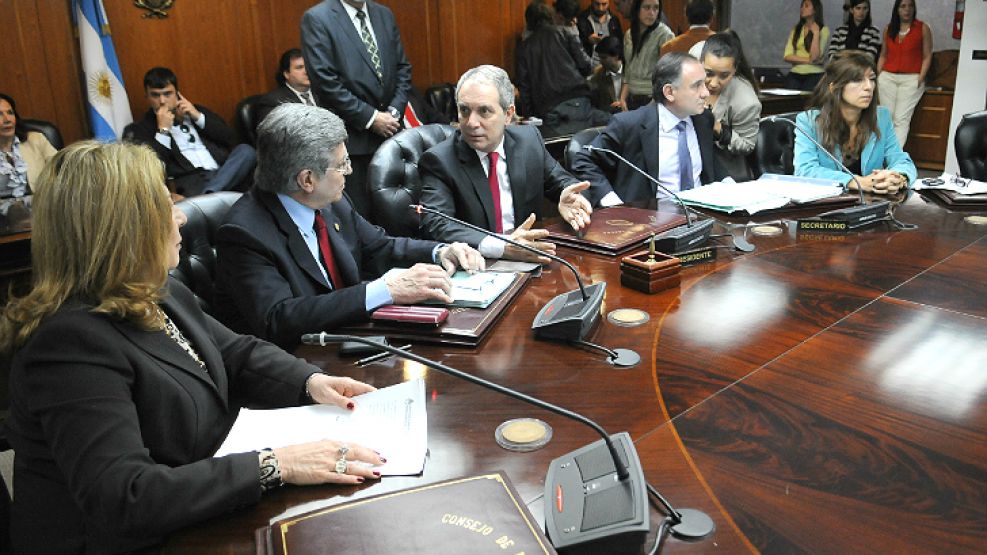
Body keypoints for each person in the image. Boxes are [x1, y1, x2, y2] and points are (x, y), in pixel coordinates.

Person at [0, 140, 385, 552]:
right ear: (123, 228)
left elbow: (236, 352)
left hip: (200, 513)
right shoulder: (68, 346)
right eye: (166, 206)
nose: (181, 217)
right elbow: (125, 496)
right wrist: (276, 464)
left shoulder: (155, 290)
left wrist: (310, 381)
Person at [215, 104, 482, 349]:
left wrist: (440, 251)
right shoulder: (244, 234)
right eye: (342, 164)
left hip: (356, 339)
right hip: (301, 363)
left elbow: (380, 247)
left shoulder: (332, 202)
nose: (350, 171)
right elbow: (280, 318)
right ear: (307, 179)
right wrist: (384, 290)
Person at [419, 65, 593, 262]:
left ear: (508, 114)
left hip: (531, 260)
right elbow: (437, 223)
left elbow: (563, 182)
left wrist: (567, 193)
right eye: (464, 110)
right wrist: (502, 246)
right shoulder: (439, 160)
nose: (471, 123)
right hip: (478, 266)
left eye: (484, 111)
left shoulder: (528, 141)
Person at [301, 0, 413, 221]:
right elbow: (325, 81)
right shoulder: (317, 18)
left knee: (396, 218)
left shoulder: (383, 14)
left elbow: (402, 68)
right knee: (359, 219)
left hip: (391, 136)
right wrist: (371, 118)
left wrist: (393, 112)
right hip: (352, 141)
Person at [573, 52, 727, 207]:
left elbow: (709, 169)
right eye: (696, 86)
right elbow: (583, 160)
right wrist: (611, 201)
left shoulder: (703, 119)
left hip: (702, 216)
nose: (706, 93)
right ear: (669, 92)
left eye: (704, 84)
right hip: (650, 221)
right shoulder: (629, 125)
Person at [794, 51, 916, 194]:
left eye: (871, 79)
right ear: (834, 88)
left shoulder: (881, 117)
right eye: (858, 80)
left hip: (870, 203)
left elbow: (900, 159)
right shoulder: (808, 121)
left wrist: (899, 178)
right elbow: (805, 170)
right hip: (826, 206)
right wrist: (855, 181)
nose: (868, 87)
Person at [124, 67, 256, 197]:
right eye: (155, 95)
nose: (162, 101)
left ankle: (210, 196)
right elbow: (152, 165)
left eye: (167, 94)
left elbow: (230, 137)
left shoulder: (197, 111)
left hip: (224, 173)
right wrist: (163, 131)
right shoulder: (140, 128)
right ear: (146, 97)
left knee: (246, 150)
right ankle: (212, 196)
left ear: (177, 94)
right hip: (192, 182)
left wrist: (198, 117)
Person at [516, 2, 609, 130]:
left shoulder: (524, 48)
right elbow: (586, 66)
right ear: (551, 16)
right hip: (579, 99)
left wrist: (530, 116)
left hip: (549, 108)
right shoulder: (566, 33)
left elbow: (524, 88)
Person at [700, 31, 762, 180]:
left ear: (734, 70)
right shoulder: (692, 61)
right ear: (699, 62)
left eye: (724, 76)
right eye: (708, 73)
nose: (714, 83)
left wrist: (720, 130)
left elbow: (747, 145)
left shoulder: (747, 103)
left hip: (725, 175)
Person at [877, 0, 932, 147]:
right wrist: (878, 75)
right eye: (903, 6)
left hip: (911, 79)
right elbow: (883, 54)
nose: (907, 10)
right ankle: (882, 155)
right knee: (886, 118)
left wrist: (920, 77)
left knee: (901, 119)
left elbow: (927, 55)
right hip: (887, 77)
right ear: (897, 9)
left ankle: (894, 159)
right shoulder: (889, 29)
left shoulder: (922, 28)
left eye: (910, 6)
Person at [620, 0, 673, 111]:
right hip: (631, 97)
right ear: (637, 8)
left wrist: (654, 102)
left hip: (652, 98)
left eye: (656, 8)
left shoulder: (664, 34)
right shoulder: (629, 34)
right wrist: (622, 98)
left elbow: (667, 75)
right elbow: (628, 69)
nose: (652, 13)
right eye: (647, 7)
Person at [0, 93, 56, 199]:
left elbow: (63, 169)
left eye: (10, 113)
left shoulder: (36, 140)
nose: (7, 119)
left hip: (41, 207)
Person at [255, 48, 321, 125]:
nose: (306, 71)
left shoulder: (324, 94)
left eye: (308, 66)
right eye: (299, 67)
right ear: (286, 74)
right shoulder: (273, 102)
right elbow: (273, 133)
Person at [782, 0, 829, 91]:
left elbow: (815, 57)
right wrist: (810, 61)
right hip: (795, 72)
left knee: (808, 99)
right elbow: (787, 56)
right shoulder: (796, 30)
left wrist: (815, 34)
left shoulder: (824, 30)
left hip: (815, 73)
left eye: (806, 6)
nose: (802, 9)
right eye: (802, 6)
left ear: (815, 10)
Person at [576, 0, 624, 65]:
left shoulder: (614, 20)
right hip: (589, 66)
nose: (600, 8)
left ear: (609, 2)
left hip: (611, 66)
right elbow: (575, 46)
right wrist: (587, 40)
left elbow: (619, 44)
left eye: (604, 4)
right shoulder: (582, 19)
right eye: (597, 4)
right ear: (592, 2)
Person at [589, 37, 625, 113]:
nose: (601, 61)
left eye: (604, 58)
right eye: (600, 58)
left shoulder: (633, 73)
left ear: (616, 56)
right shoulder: (598, 76)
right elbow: (594, 104)